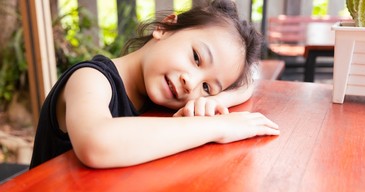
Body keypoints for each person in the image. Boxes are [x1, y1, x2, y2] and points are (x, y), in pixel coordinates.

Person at [29, 0, 279, 169]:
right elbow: (96, 144)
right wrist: (215, 127)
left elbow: (247, 85)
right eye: (196, 58)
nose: (190, 83)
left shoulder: (159, 92)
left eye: (206, 86)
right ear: (165, 27)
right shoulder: (90, 78)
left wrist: (214, 99)